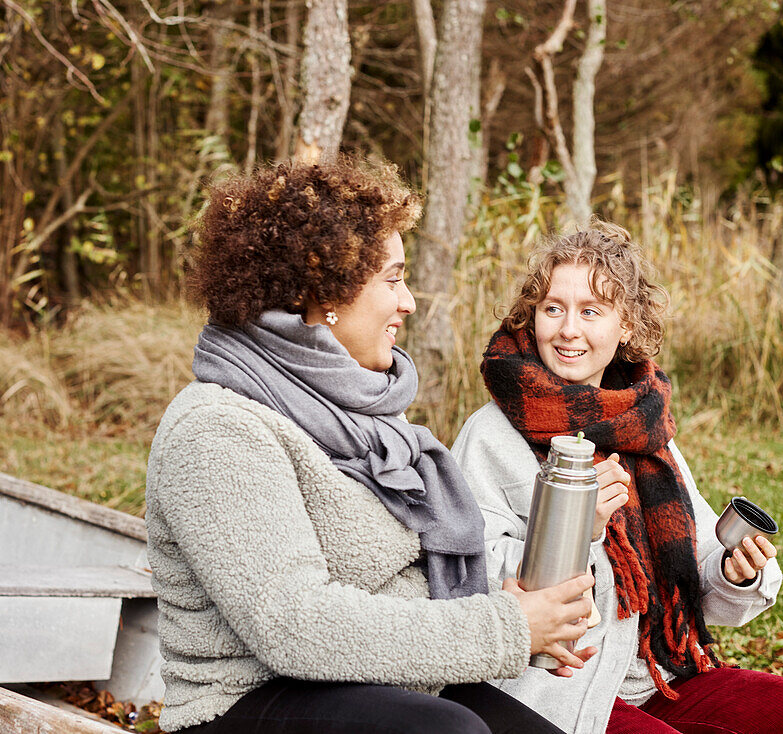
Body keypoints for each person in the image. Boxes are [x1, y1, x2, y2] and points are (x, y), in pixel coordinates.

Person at [145, 156, 598, 734]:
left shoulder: (359, 414)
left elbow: (390, 582)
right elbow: (294, 625)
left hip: (372, 690)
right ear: (321, 290)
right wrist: (503, 627)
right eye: (392, 278)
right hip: (243, 704)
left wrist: (509, 610)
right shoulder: (218, 428)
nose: (408, 301)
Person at [451, 220, 783, 734]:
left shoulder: (643, 421)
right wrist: (575, 530)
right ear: (532, 317)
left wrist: (733, 571)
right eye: (553, 309)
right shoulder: (491, 435)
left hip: (659, 675)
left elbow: (696, 561)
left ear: (627, 326)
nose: (569, 329)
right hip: (561, 692)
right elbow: (465, 575)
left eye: (591, 311)